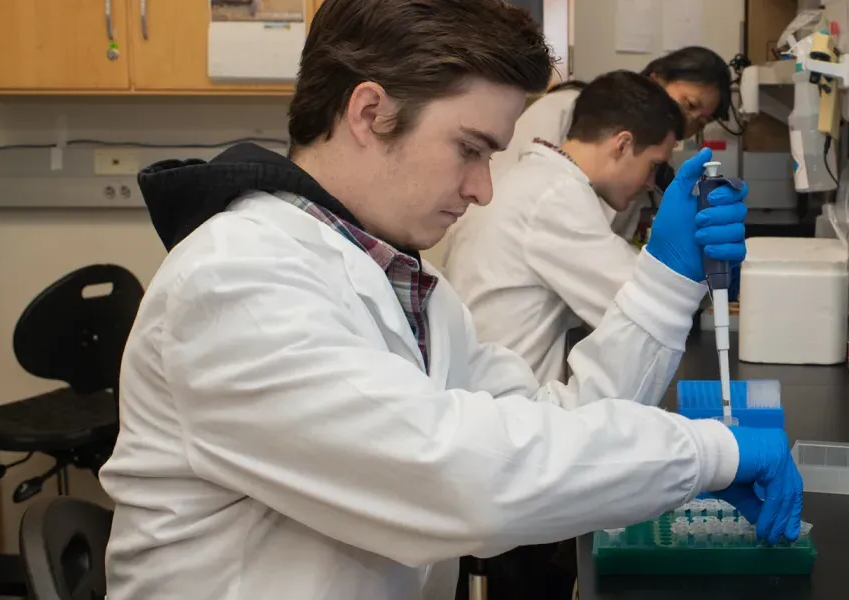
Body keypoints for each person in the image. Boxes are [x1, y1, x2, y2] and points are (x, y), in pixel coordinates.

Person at [98, 1, 803, 599]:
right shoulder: (233, 281)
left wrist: (667, 277)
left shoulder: (402, 282)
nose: (483, 189)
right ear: (370, 112)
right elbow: (459, 478)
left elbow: (564, 423)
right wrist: (712, 452)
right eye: (470, 149)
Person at [444, 70, 701, 384]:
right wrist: (689, 261)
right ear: (622, 145)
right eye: (653, 165)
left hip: (487, 391)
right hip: (507, 410)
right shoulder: (554, 196)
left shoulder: (536, 178)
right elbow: (645, 305)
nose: (650, 182)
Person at [477, 46, 732, 242]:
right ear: (655, 80)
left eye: (701, 121)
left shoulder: (651, 166)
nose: (688, 123)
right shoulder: (565, 110)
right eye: (688, 105)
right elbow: (497, 201)